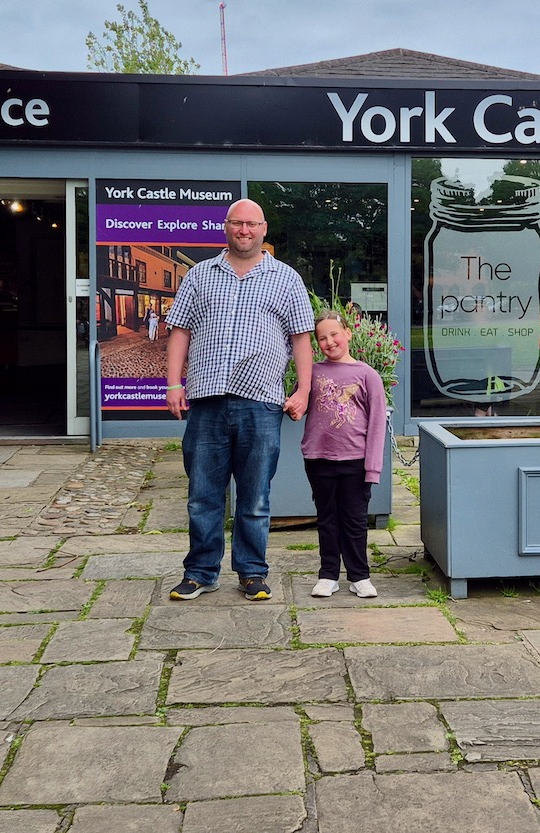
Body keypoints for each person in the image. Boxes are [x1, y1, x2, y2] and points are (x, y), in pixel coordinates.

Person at [164, 199, 315, 602]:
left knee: (255, 497)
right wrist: (173, 384)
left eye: (251, 224)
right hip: (207, 400)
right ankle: (200, 572)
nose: (244, 230)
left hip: (261, 402)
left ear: (264, 229)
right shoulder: (199, 275)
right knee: (202, 495)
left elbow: (302, 337)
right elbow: (179, 330)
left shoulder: (285, 278)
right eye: (237, 223)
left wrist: (303, 389)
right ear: (225, 227)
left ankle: (251, 572)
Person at [302, 310, 388, 599]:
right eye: (322, 338)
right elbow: (299, 405)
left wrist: (372, 468)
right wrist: (291, 405)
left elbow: (377, 425)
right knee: (327, 518)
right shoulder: (312, 372)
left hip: (354, 460)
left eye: (335, 334)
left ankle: (359, 575)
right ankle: (328, 574)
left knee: (354, 519)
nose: (330, 341)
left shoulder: (367, 375)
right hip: (318, 458)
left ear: (348, 333)